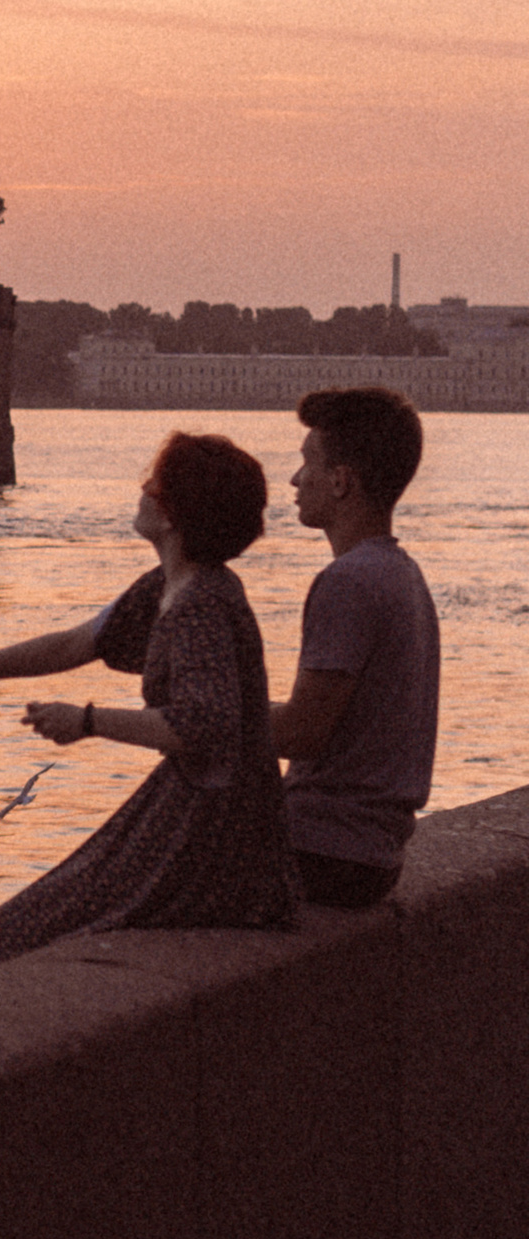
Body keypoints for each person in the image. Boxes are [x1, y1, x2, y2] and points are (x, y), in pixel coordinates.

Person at [0, 432, 297, 965]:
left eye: (155, 483)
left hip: (212, 833)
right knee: (12, 937)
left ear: (171, 516)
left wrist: (88, 721)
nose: (142, 487)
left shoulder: (199, 606)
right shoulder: (170, 588)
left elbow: (202, 727)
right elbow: (75, 643)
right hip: (208, 816)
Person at [268, 387, 438, 909]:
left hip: (322, 854)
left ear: (341, 480)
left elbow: (304, 732)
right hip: (372, 855)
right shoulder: (403, 576)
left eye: (307, 464)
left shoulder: (348, 582)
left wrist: (201, 713)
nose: (296, 481)